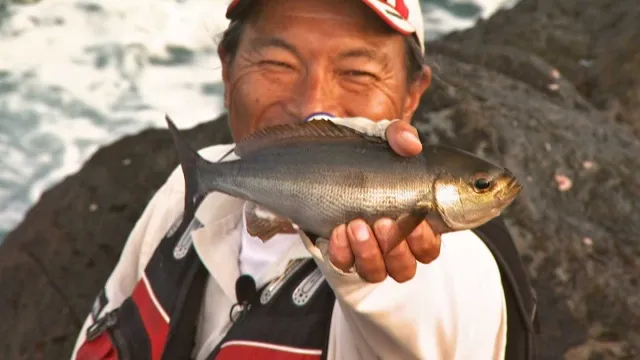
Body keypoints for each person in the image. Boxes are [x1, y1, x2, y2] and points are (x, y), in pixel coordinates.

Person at [71, 0, 539, 359]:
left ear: (413, 93)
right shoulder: (188, 189)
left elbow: (432, 321)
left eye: (356, 72)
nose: (313, 104)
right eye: (277, 63)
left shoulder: (453, 267)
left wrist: (380, 273)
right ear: (227, 70)